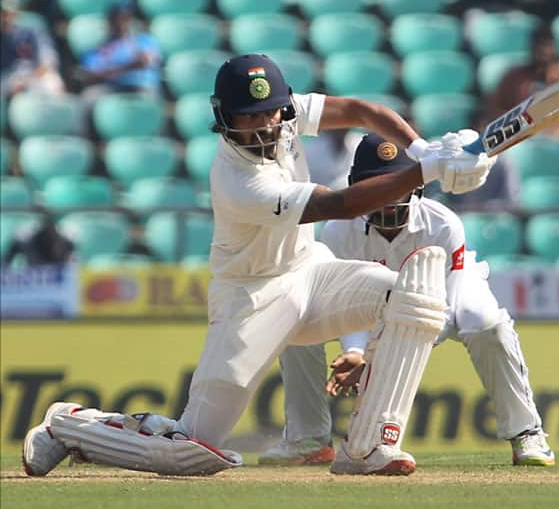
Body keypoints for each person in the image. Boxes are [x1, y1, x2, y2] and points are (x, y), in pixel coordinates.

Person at [22, 53, 496, 477]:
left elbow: (359, 111)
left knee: (415, 294)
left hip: (312, 274)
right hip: (252, 297)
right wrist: (427, 172)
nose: (264, 126)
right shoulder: (238, 180)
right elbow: (343, 205)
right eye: (248, 117)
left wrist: (421, 148)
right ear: (223, 119)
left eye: (270, 111)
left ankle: (369, 445)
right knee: (190, 451)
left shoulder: (285, 118)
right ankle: (70, 424)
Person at [261, 135, 555, 467]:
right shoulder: (338, 232)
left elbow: (444, 309)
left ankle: (526, 433)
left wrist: (379, 357)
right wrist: (356, 352)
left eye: (395, 186)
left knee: (483, 321)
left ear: (414, 186)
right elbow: (341, 301)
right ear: (357, 189)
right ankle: (309, 438)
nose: (387, 198)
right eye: (376, 187)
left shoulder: (443, 224)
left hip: (443, 295)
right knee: (296, 320)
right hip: (373, 306)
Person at [78, 1, 162, 95]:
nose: (122, 23)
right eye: (118, 19)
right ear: (109, 22)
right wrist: (127, 67)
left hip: (141, 88)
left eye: (127, 18)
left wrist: (111, 71)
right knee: (91, 95)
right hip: (111, 90)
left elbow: (148, 60)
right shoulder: (98, 49)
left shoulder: (144, 40)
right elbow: (91, 76)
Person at [0, 0, 64, 98]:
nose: (8, 15)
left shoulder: (31, 31)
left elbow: (48, 57)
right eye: (4, 12)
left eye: (12, 8)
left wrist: (32, 76)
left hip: (33, 76)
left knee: (53, 82)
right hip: (5, 80)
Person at [4, 216, 74, 267]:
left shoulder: (67, 242)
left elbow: (74, 265)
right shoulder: (26, 241)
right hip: (34, 282)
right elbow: (6, 262)